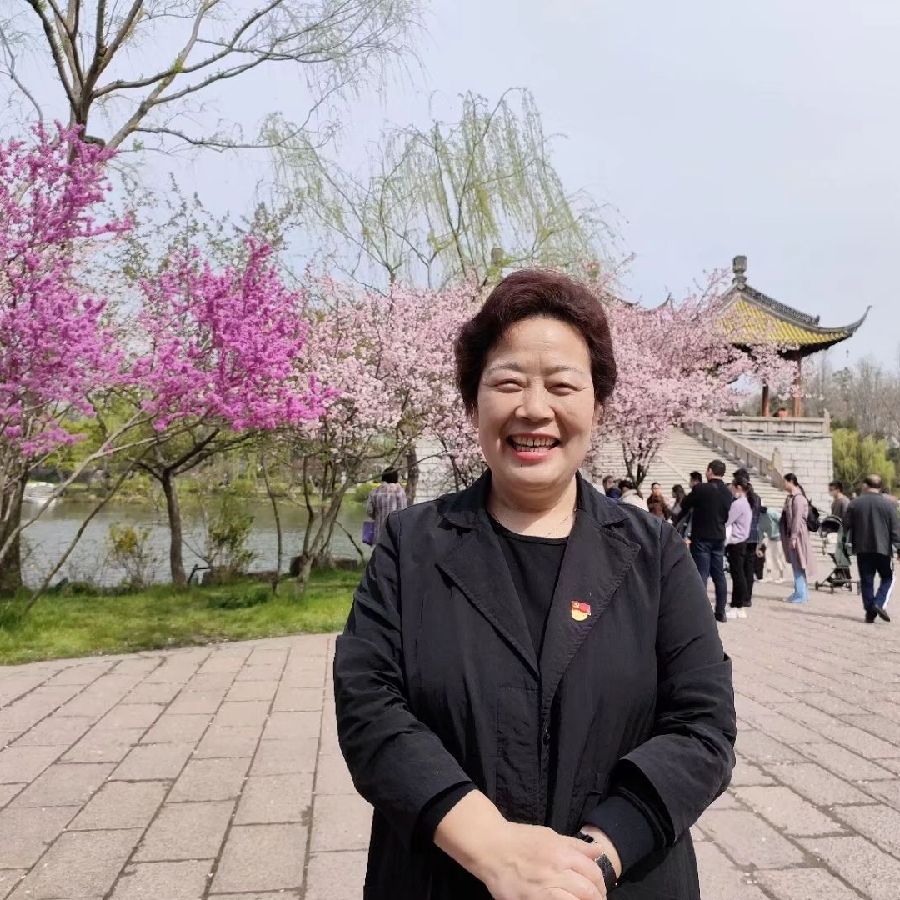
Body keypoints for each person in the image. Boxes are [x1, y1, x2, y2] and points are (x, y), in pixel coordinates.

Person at [334, 269, 736, 900]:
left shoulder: (655, 552)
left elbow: (703, 725)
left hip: (618, 880)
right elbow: (368, 706)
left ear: (597, 408)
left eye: (562, 385)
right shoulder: (411, 544)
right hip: (442, 876)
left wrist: (590, 862)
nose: (534, 408)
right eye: (508, 382)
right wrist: (493, 849)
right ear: (473, 403)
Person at [674, 460, 733, 623]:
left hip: (701, 535)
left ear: (710, 471)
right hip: (719, 535)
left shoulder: (701, 489)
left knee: (701, 573)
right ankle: (720, 611)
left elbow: (685, 504)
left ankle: (700, 611)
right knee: (719, 574)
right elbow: (726, 514)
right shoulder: (727, 492)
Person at [844, 474, 900, 623]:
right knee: (887, 577)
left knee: (866, 580)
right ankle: (878, 603)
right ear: (880, 487)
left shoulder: (855, 503)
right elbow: (895, 529)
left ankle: (870, 613)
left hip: (862, 548)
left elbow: (846, 525)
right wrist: (899, 547)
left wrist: (845, 544)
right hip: (883, 548)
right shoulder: (889, 505)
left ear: (865, 485)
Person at [780, 473, 815, 604]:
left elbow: (797, 519)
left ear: (790, 481)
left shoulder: (798, 499)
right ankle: (801, 592)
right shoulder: (792, 498)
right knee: (797, 564)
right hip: (795, 534)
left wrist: (793, 537)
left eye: (785, 482)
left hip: (798, 535)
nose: (783, 485)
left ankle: (801, 594)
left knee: (798, 565)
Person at [725, 476, 753, 620]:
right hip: (741, 541)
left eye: (733, 486)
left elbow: (727, 520)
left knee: (737, 575)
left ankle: (738, 605)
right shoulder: (745, 503)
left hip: (736, 541)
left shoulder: (739, 504)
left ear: (739, 487)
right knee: (738, 574)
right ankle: (736, 604)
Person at [733, 468, 761, 606]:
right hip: (753, 536)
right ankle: (747, 597)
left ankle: (740, 596)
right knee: (749, 568)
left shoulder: (739, 499)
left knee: (739, 568)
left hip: (741, 536)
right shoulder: (757, 497)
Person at [366, 469, 408, 544]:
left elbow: (369, 512)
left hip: (379, 535)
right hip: (395, 535)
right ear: (395, 477)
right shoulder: (400, 491)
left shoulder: (374, 492)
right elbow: (403, 512)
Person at [758, 506, 786, 583]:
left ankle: (781, 576)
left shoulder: (771, 512)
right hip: (770, 538)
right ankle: (768, 576)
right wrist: (759, 545)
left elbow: (781, 519)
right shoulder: (760, 517)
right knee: (768, 556)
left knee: (777, 557)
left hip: (778, 538)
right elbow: (760, 531)